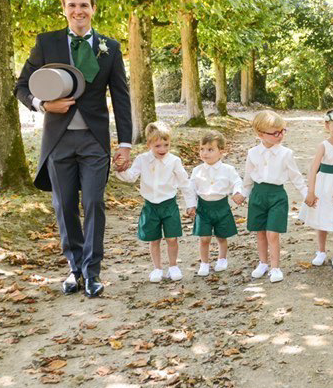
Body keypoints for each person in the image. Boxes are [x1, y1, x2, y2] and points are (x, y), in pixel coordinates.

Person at [14, 0, 132, 298]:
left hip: (95, 140)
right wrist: (42, 104)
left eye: (84, 5)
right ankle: (74, 268)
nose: (78, 11)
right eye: (72, 6)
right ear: (64, 9)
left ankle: (93, 273)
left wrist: (125, 144)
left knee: (93, 202)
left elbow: (121, 97)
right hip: (58, 140)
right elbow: (22, 86)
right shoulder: (46, 43)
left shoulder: (111, 47)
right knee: (64, 206)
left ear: (93, 8)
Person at [116, 122, 193, 283]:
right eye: (158, 145)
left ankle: (173, 266)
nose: (162, 149)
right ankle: (157, 268)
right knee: (154, 239)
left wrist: (191, 204)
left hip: (169, 205)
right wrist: (120, 170)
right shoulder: (142, 160)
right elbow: (131, 177)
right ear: (149, 144)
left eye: (166, 145)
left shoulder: (174, 161)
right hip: (150, 205)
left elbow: (185, 183)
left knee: (172, 238)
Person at [241, 110, 309, 283]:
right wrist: (243, 194)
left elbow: (296, 177)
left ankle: (275, 267)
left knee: (273, 233)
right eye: (275, 133)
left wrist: (307, 195)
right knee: (261, 232)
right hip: (258, 195)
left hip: (277, 195)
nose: (280, 135)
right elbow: (248, 177)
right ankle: (262, 263)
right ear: (260, 135)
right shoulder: (253, 153)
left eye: (283, 131)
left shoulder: (286, 153)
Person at [186, 131, 246, 277]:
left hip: (221, 206)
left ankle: (222, 259)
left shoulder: (228, 170)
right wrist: (191, 205)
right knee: (204, 237)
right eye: (202, 149)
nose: (205, 153)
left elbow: (237, 182)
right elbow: (191, 188)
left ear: (221, 152)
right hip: (204, 208)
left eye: (210, 149)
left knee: (221, 236)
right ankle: (204, 263)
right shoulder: (197, 170)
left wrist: (237, 192)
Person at [300, 109, 333, 271]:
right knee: (321, 219)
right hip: (323, 184)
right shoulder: (323, 145)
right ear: (327, 125)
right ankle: (321, 251)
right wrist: (311, 191)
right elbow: (313, 169)